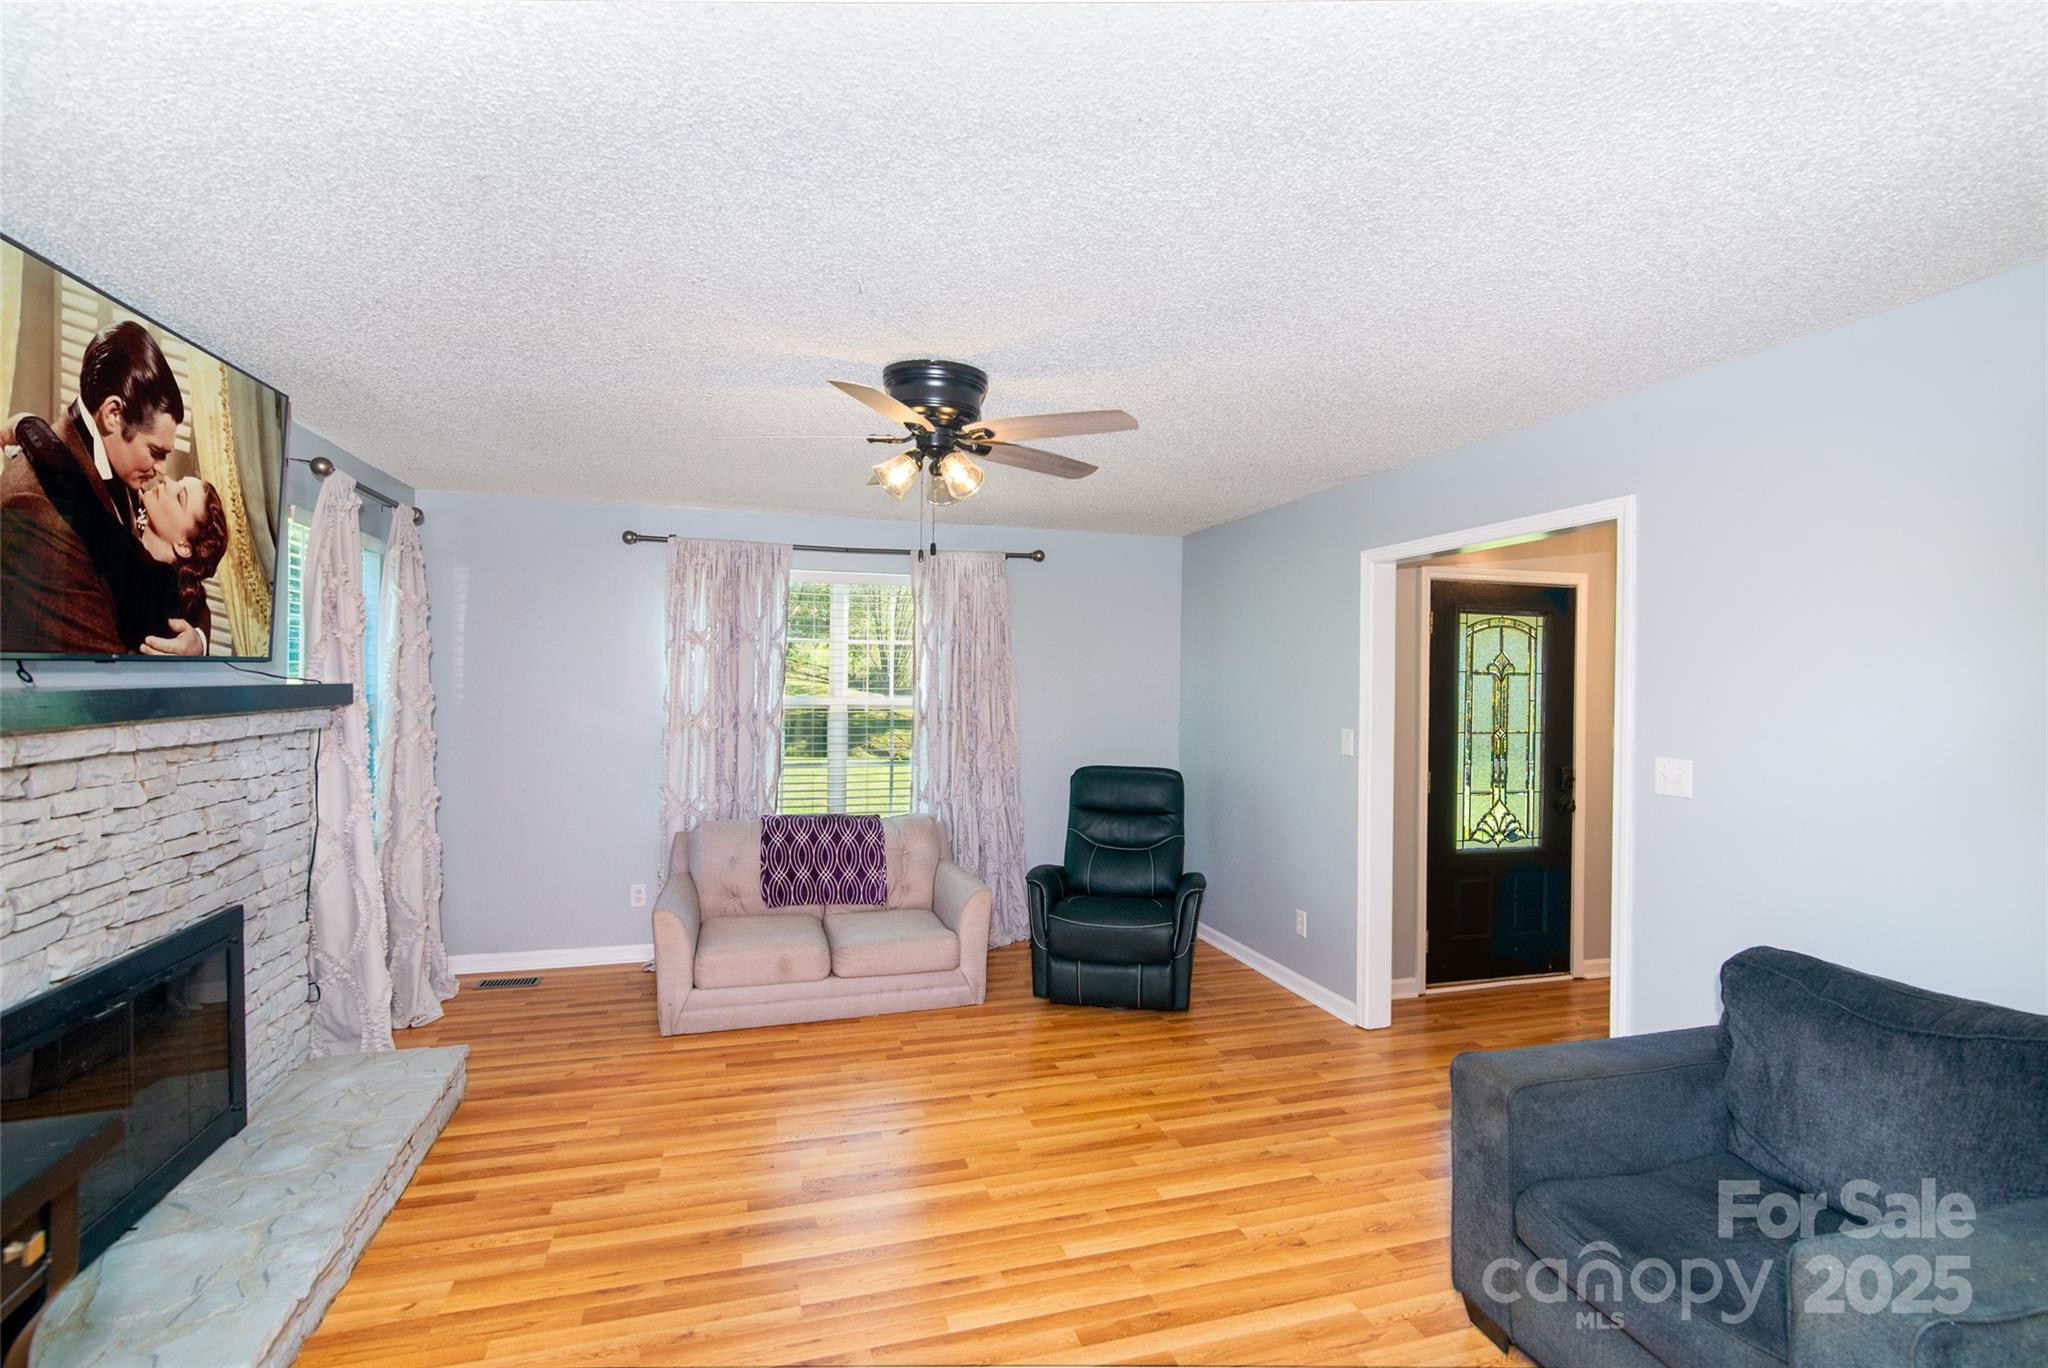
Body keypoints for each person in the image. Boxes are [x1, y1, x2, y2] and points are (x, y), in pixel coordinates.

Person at [0, 320, 212, 655]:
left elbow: (192, 599)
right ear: (114, 413)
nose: (161, 472)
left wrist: (197, 643)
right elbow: (101, 670)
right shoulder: (36, 508)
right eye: (156, 452)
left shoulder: (124, 470)